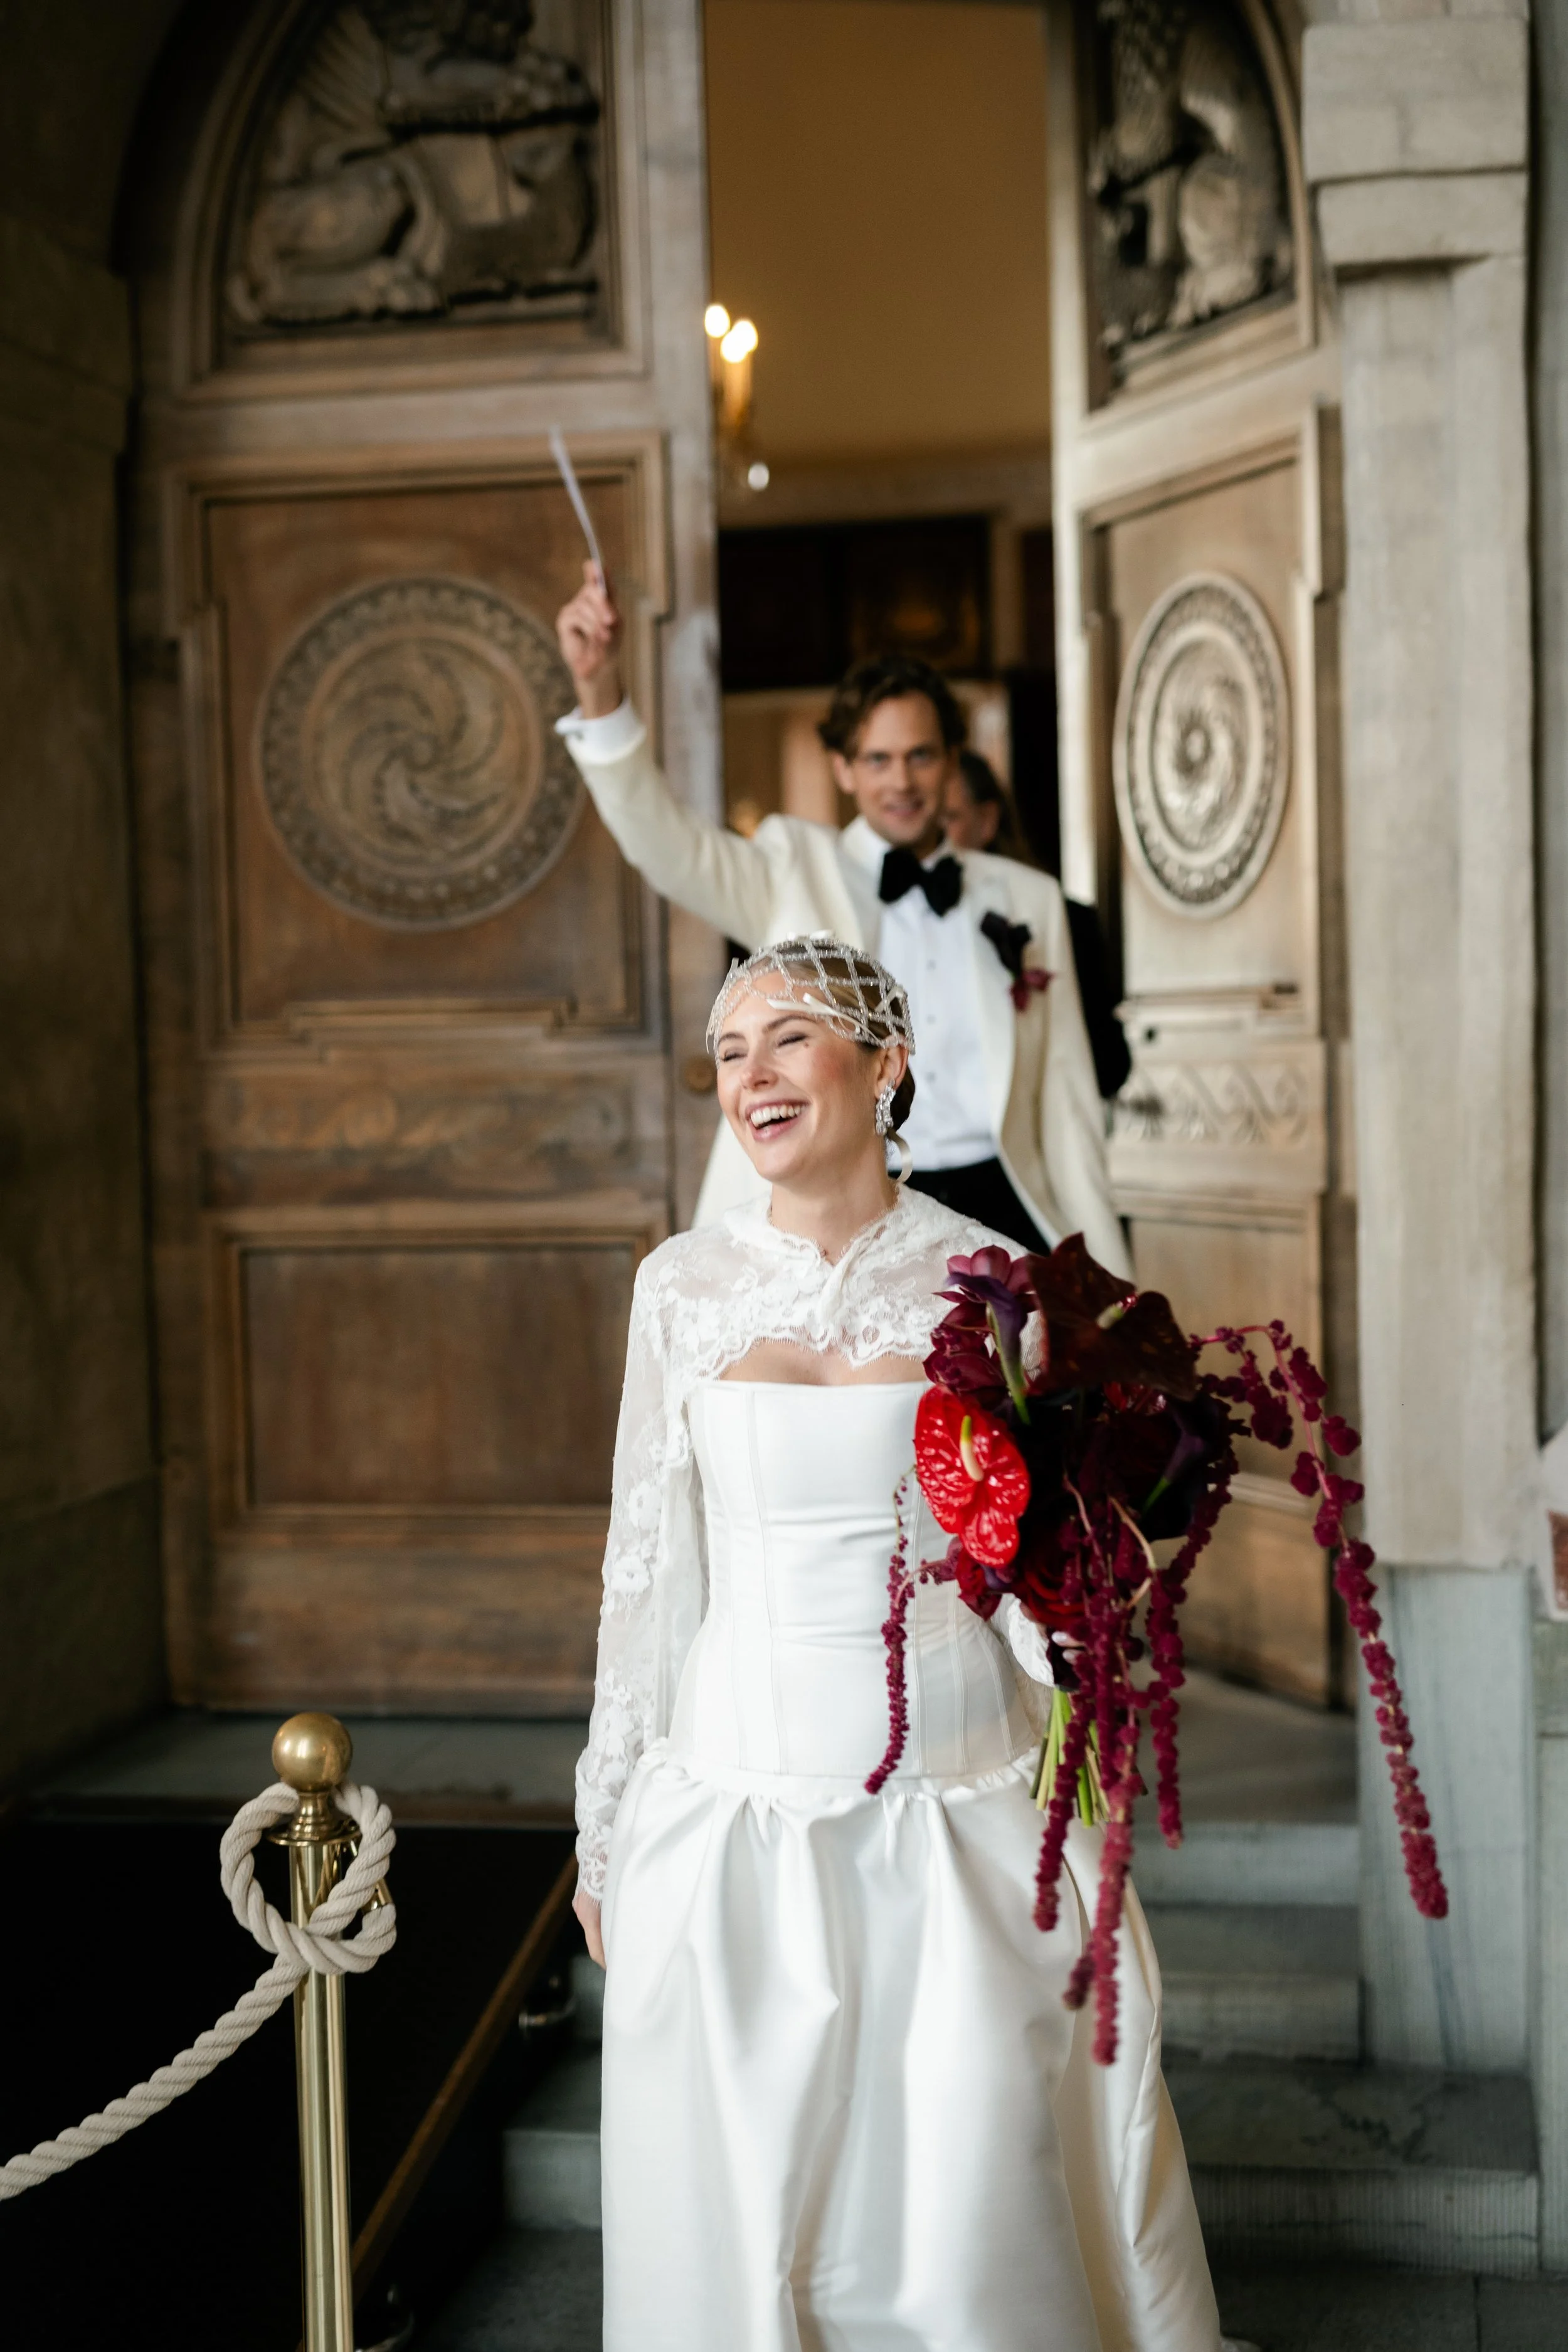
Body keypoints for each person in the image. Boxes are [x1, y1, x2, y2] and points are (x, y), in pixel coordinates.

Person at [575, 933, 1224, 2352]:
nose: (751, 1073)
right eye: (731, 1049)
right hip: (734, 1804)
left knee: (961, 2205)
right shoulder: (679, 1287)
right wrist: (608, 1813)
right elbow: (646, 1564)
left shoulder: (989, 1283)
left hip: (953, 1805)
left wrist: (1084, 1690)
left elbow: (1045, 1550)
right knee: (744, 2212)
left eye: (789, 1038)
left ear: (886, 1065)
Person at [554, 568, 1128, 1273]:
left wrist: (1110, 1282)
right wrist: (599, 692)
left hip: (1004, 1209)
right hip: (847, 1206)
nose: (901, 780)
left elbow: (1069, 1103)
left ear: (952, 761)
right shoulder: (791, 867)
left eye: (921, 755)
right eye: (877, 759)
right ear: (843, 768)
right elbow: (666, 846)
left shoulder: (1028, 899)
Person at [946, 748, 1133, 1101]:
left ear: (986, 821)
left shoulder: (1065, 919)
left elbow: (1109, 1066)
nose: (932, 841)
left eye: (948, 820)